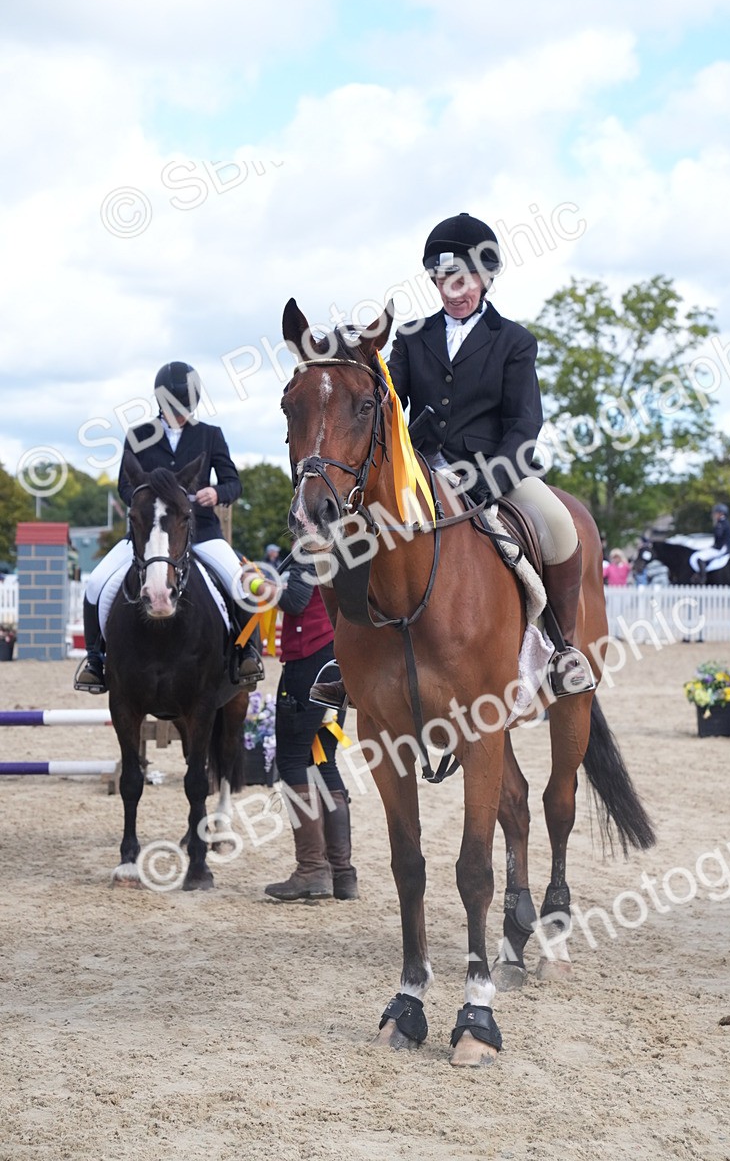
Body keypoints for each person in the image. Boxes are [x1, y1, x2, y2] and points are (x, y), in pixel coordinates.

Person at [311, 211, 594, 707]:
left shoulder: (514, 341)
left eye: (464, 279)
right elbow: (382, 402)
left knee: (558, 525)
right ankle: (345, 658)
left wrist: (491, 478)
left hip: (497, 471)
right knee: (338, 543)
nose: (454, 289)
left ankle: (562, 650)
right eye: (444, 278)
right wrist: (354, 358)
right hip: (421, 472)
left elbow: (524, 424)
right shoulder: (413, 336)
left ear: (486, 278)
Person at [74, 361, 265, 692]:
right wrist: (149, 498)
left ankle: (246, 653)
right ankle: (95, 660)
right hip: (147, 536)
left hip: (201, 531)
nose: (179, 414)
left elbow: (233, 483)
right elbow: (124, 486)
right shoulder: (139, 436)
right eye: (173, 407)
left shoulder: (210, 435)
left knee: (238, 583)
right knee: (96, 584)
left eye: (184, 408)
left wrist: (216, 493)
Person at [261, 553, 358, 901]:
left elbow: (295, 601)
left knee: (292, 761)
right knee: (324, 761)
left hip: (307, 664)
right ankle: (342, 873)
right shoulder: (345, 545)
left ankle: (312, 868)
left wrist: (256, 585)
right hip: (335, 660)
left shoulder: (311, 548)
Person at [689, 503, 730, 577]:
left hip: (721, 548)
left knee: (699, 557)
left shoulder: (721, 524)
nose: (714, 515)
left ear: (721, 513)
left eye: (716, 513)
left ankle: (702, 578)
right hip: (721, 547)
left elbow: (719, 535)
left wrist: (716, 526)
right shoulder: (724, 523)